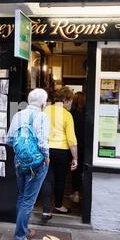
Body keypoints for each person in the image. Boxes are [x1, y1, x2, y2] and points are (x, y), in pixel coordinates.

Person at [7, 88, 50, 240]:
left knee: (22, 197)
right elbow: (42, 141)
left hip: (19, 161)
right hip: (36, 163)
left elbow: (9, 140)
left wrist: (22, 152)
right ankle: (20, 238)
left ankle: (23, 230)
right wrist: (46, 157)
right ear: (43, 103)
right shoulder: (42, 116)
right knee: (28, 200)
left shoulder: (18, 115)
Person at [41, 86, 78, 221]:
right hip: (62, 151)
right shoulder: (67, 115)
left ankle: (45, 211)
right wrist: (75, 157)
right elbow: (71, 139)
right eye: (70, 101)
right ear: (65, 100)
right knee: (60, 179)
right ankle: (58, 205)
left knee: (46, 179)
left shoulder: (45, 110)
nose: (71, 104)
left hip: (45, 149)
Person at [70, 91, 85, 203]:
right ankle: (84, 192)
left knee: (75, 169)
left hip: (74, 145)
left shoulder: (71, 114)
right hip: (86, 145)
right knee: (83, 169)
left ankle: (76, 193)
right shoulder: (88, 113)